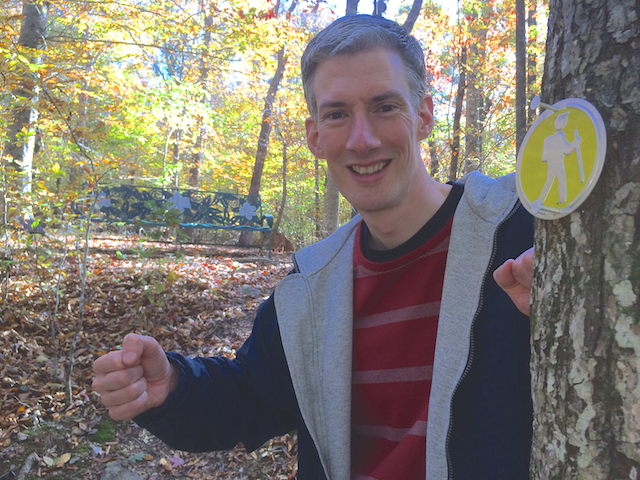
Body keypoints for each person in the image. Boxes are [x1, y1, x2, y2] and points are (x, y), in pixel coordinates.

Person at [93, 15, 535, 480]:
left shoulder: (521, 234)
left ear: (423, 115)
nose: (361, 140)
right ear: (315, 137)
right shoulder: (313, 283)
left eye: (385, 107)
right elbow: (254, 395)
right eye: (337, 114)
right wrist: (173, 386)